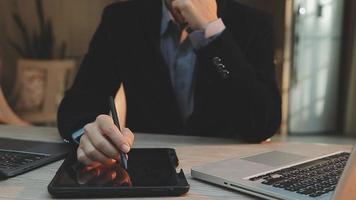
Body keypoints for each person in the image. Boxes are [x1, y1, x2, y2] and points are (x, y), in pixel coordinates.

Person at [57, 0, 281, 166]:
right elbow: (77, 104)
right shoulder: (121, 19)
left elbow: (262, 123)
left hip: (225, 171)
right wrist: (89, 134)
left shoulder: (253, 24)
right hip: (148, 171)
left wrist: (212, 31)